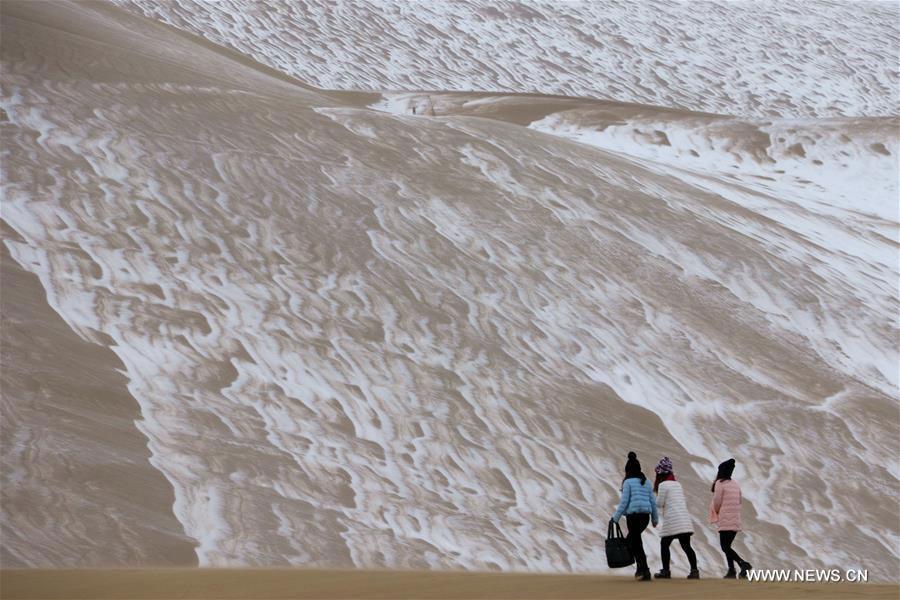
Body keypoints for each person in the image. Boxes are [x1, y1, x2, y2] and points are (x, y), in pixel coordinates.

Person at [611, 452, 658, 581]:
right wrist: (655, 519)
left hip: (633, 518)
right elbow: (652, 501)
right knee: (636, 541)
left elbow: (624, 502)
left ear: (627, 470)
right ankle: (641, 570)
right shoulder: (646, 481)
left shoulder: (627, 482)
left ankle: (645, 570)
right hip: (645, 517)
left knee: (634, 542)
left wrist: (615, 517)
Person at [652, 457, 700, 579]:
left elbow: (659, 504)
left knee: (664, 544)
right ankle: (694, 571)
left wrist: (652, 500)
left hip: (673, 520)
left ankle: (666, 571)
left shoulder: (663, 485)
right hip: (684, 519)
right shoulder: (677, 484)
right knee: (686, 546)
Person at [709, 458, 753, 578]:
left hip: (725, 519)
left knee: (725, 547)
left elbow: (717, 501)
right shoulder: (735, 483)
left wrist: (717, 512)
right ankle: (731, 571)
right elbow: (739, 501)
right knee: (728, 546)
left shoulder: (719, 483)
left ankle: (743, 564)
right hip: (735, 519)